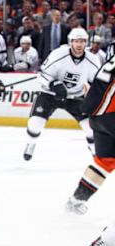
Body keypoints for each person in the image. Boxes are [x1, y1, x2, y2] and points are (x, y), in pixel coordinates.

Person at [63, 55, 115, 246]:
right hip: (112, 116)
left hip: (99, 116)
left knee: (104, 162)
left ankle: (77, 199)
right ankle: (102, 244)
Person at [22, 28, 101, 161]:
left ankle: (96, 154)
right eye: (76, 41)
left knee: (91, 128)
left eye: (82, 41)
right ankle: (30, 144)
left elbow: (97, 82)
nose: (79, 44)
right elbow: (42, 75)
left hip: (75, 96)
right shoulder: (58, 54)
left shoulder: (93, 60)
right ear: (71, 42)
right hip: (50, 94)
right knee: (35, 123)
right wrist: (53, 84)